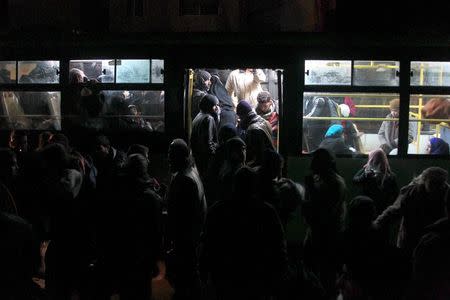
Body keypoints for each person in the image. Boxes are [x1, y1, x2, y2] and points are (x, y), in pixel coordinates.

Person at [374, 167, 450, 258]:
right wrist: (377, 223)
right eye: (433, 183)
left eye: (439, 184)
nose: (436, 188)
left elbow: (394, 210)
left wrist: (376, 224)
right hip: (413, 240)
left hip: (426, 241)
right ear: (424, 180)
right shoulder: (411, 193)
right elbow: (394, 210)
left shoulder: (446, 192)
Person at [166, 139, 206, 299]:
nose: (168, 159)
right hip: (194, 237)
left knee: (185, 279)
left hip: (186, 240)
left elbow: (178, 216)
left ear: (178, 157)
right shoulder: (192, 171)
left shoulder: (183, 179)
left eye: (171, 155)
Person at [353, 149, 399, 215]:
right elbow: (395, 194)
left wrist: (364, 175)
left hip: (366, 207)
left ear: (371, 159)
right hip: (383, 208)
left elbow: (355, 180)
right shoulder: (390, 176)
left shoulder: (367, 171)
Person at [190, 94, 220, 180]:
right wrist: (216, 156)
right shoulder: (208, 119)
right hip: (206, 161)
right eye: (215, 106)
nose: (217, 108)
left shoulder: (198, 116)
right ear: (210, 106)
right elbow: (209, 143)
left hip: (198, 158)